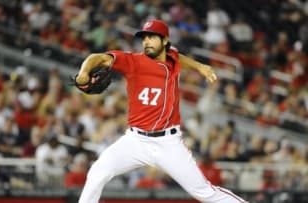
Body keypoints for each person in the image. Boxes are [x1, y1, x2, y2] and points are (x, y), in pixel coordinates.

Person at [75, 19, 247, 203]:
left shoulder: (172, 58)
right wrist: (84, 72)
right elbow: (99, 58)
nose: (146, 41)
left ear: (165, 40)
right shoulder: (133, 61)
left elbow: (177, 57)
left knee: (203, 192)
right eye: (144, 38)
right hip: (135, 140)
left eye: (152, 37)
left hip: (168, 143)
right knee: (98, 172)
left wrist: (200, 66)